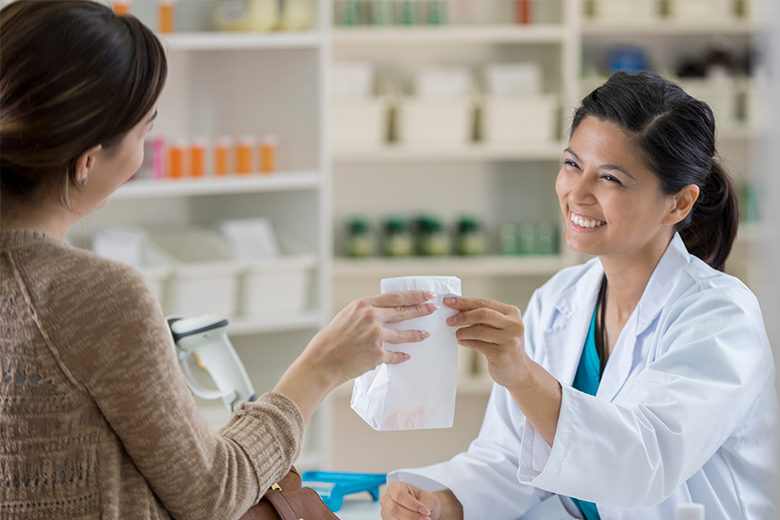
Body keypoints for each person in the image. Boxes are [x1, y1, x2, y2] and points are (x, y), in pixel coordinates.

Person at [0, 2, 437, 519]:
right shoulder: (96, 294)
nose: (144, 151)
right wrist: (321, 367)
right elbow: (211, 493)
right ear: (89, 160)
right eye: (144, 131)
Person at [380, 71, 779, 520]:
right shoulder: (560, 299)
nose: (577, 193)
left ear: (679, 203)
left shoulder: (722, 317)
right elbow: (515, 458)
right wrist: (440, 503)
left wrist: (521, 374)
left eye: (610, 178)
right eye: (572, 164)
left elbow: (643, 463)